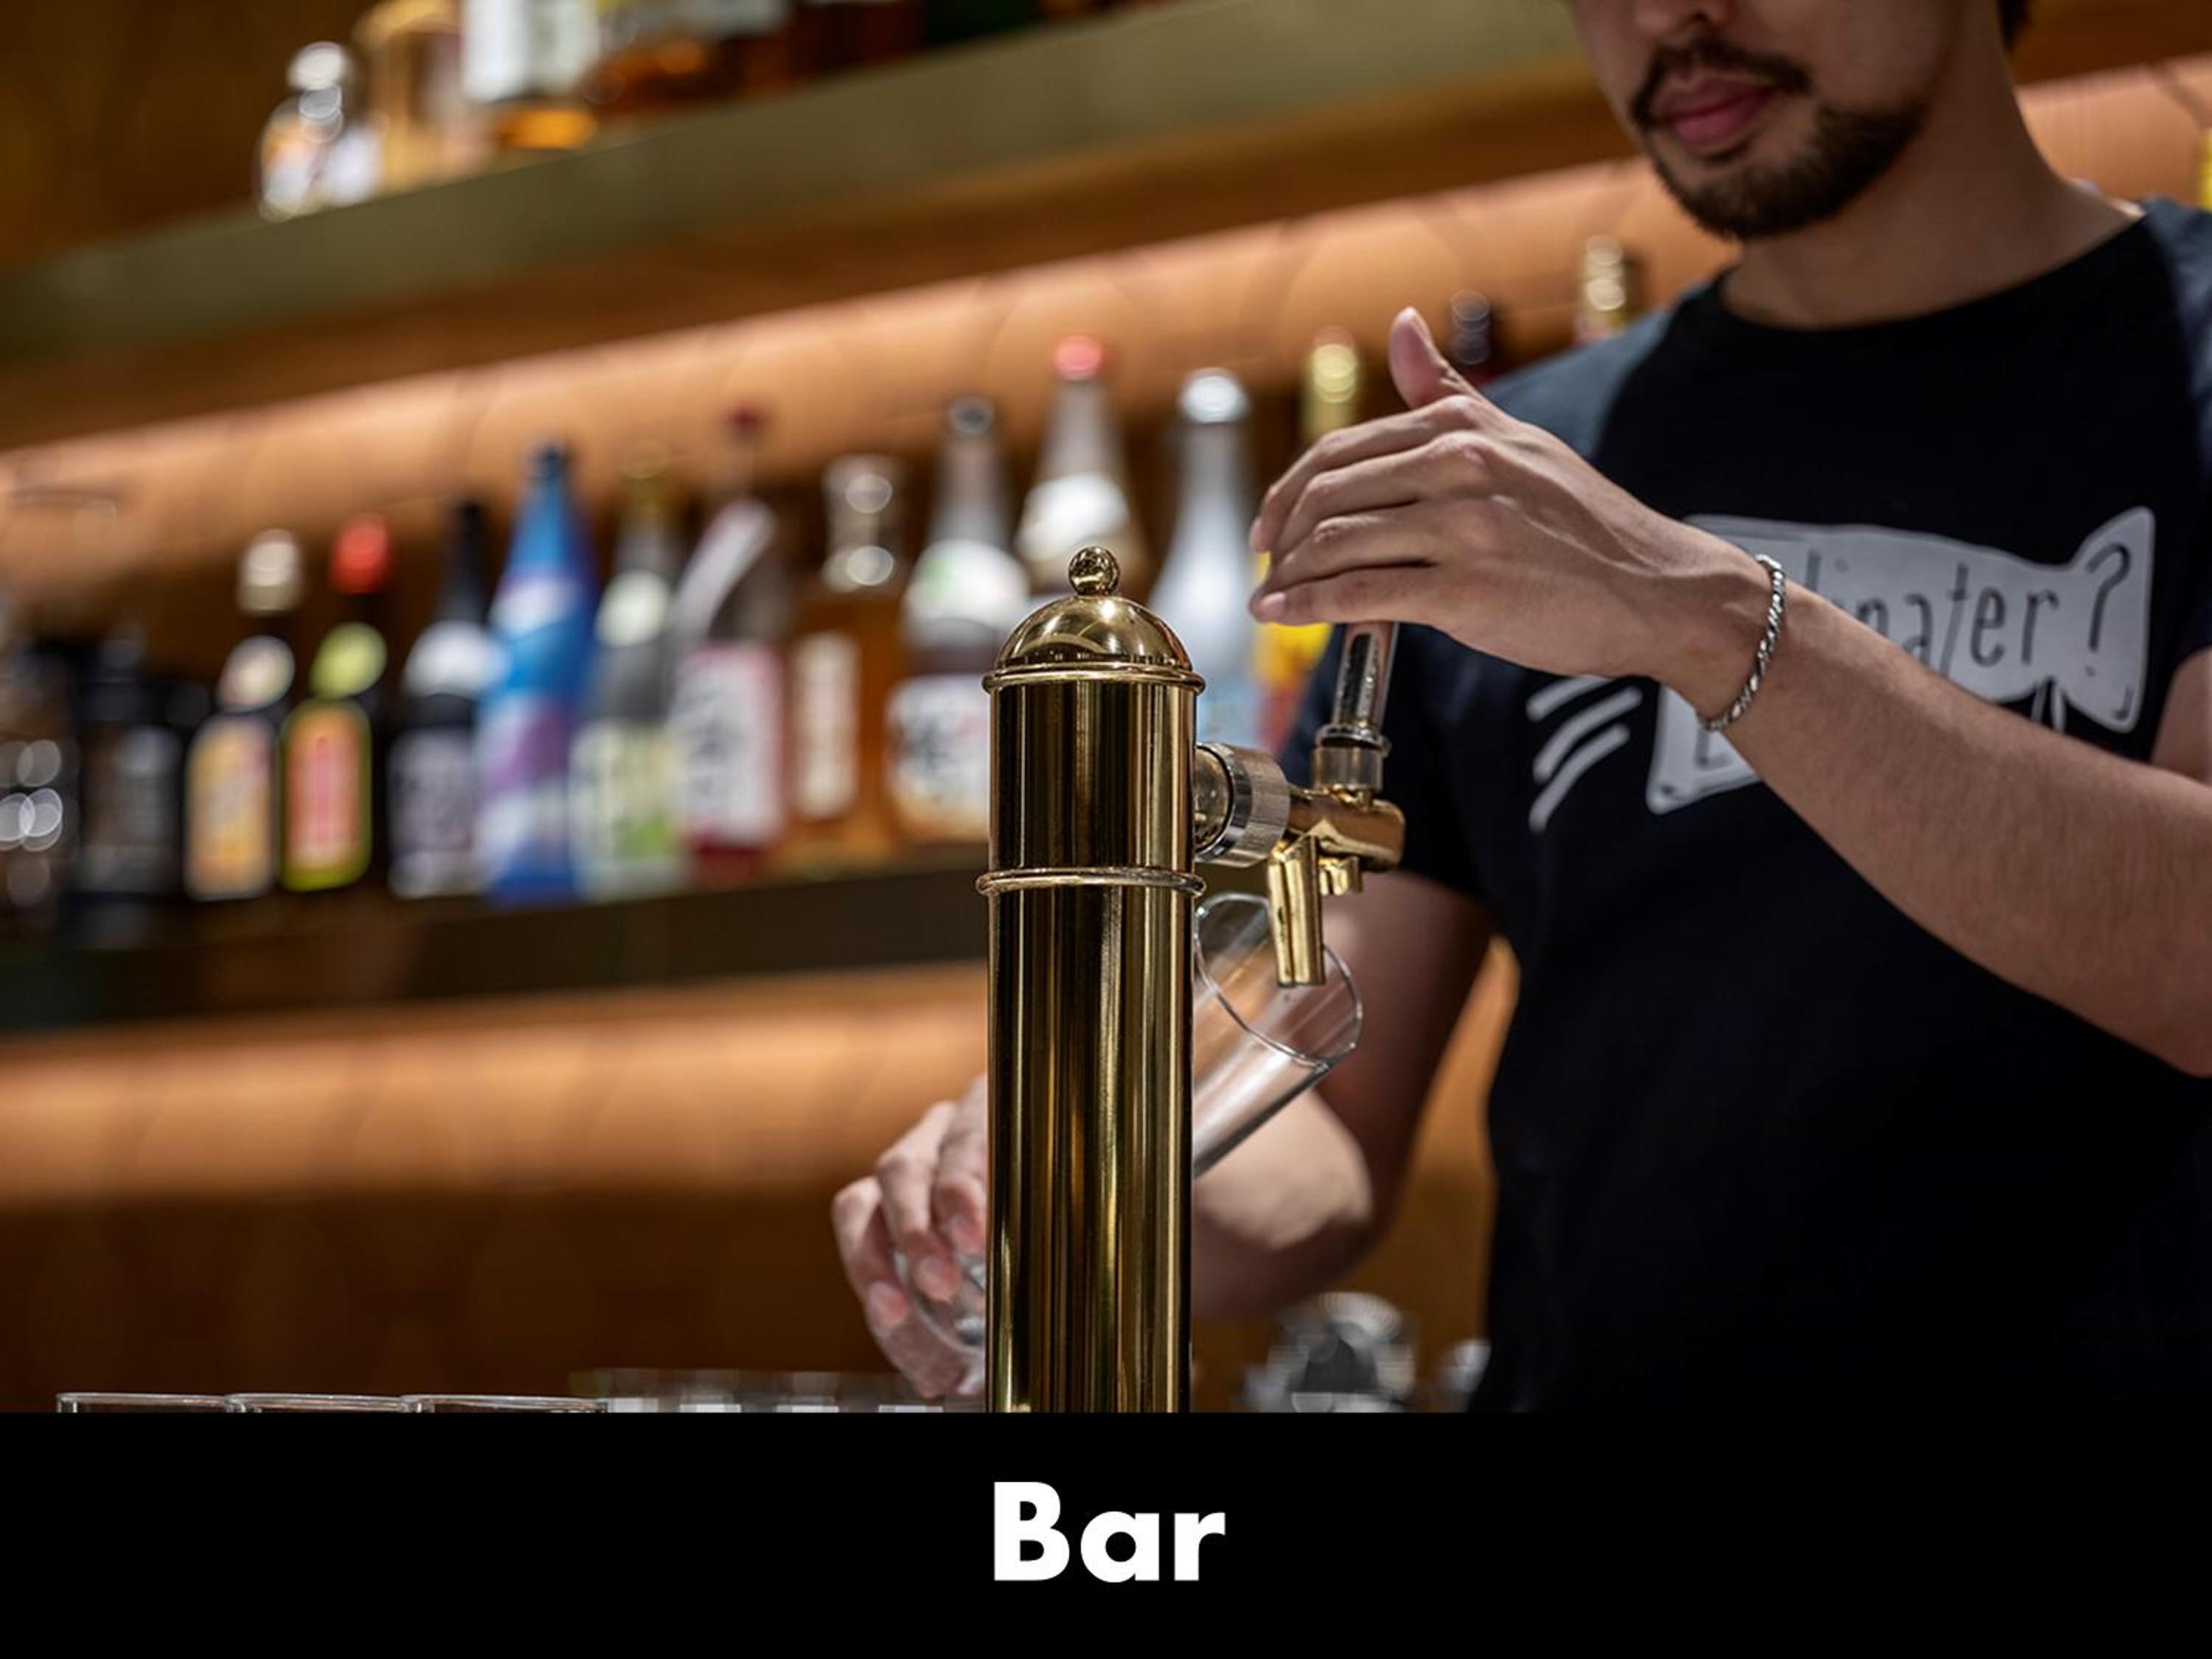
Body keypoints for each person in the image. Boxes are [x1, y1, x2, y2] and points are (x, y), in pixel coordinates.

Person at [833, 0, 2212, 1408]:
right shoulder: (1527, 482)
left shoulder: (2187, 361)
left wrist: (1706, 618)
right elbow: (1334, 1122)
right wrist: (1083, 1156)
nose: (1665, 16)